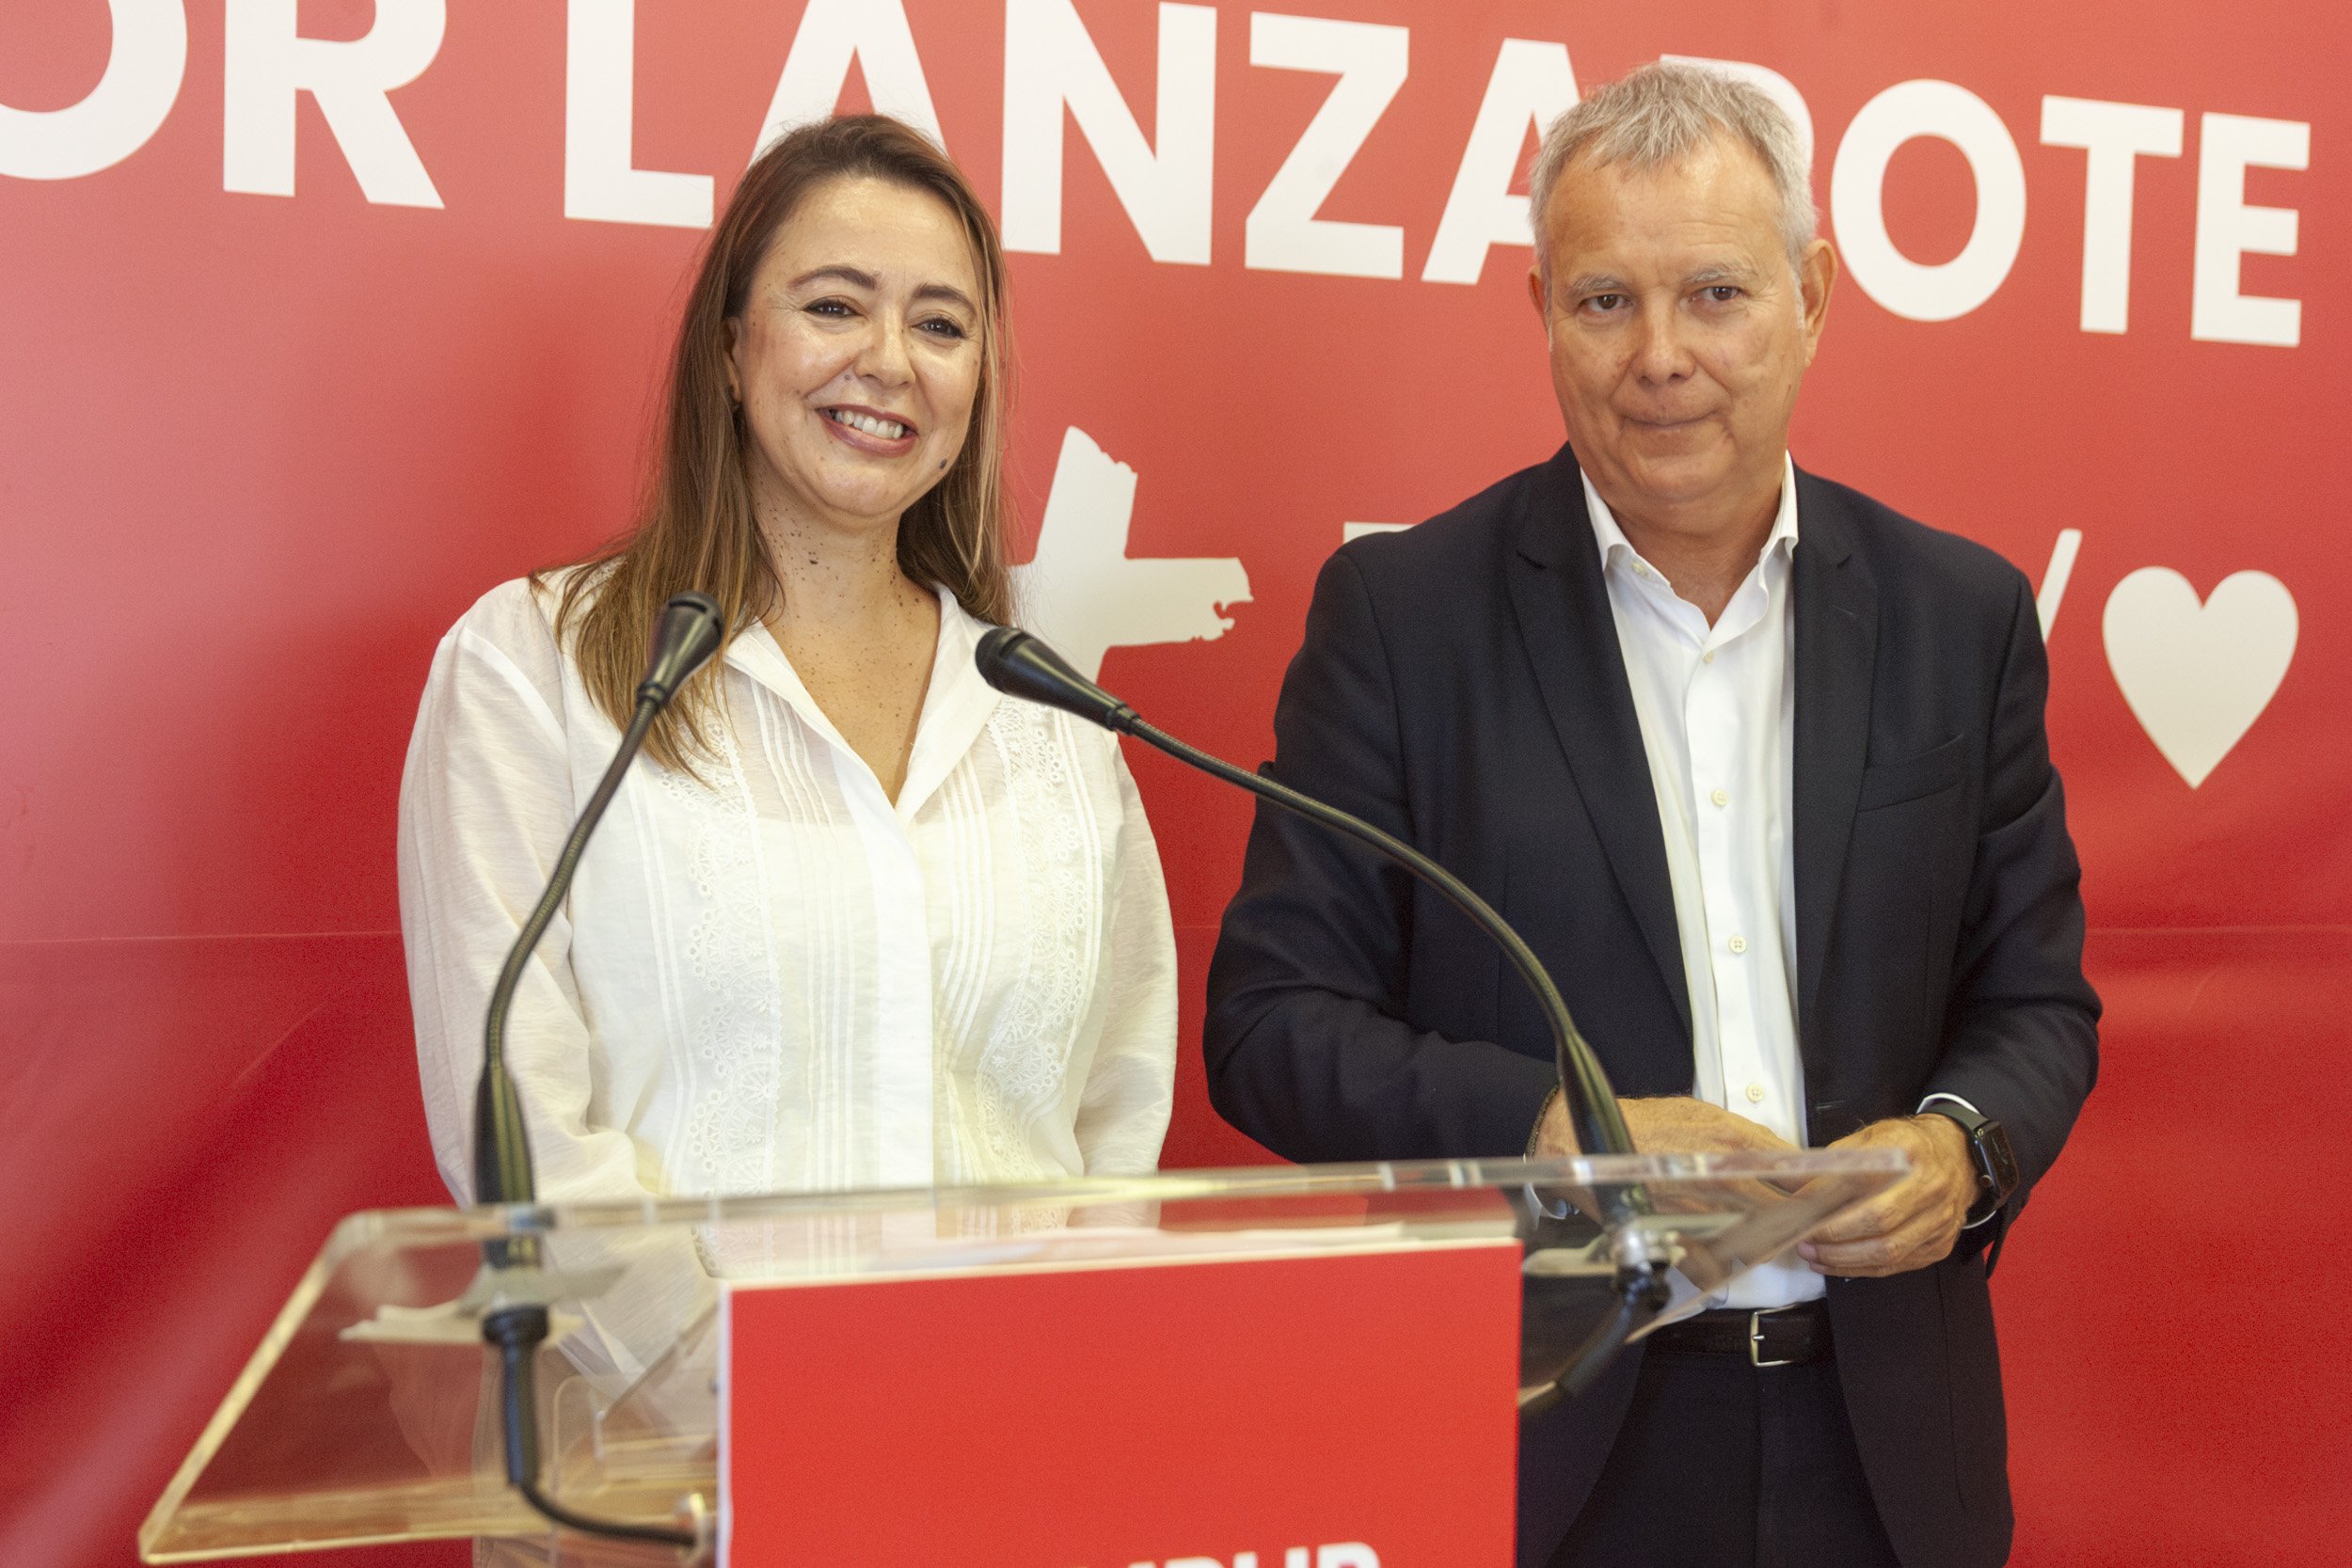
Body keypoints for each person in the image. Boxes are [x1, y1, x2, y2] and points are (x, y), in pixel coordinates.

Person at [1204, 64, 2096, 1568]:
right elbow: (1272, 1026)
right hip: (1544, 1447)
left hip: (1887, 1457)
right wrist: (1565, 1134)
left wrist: (1960, 1149)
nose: (1661, 358)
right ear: (1540, 309)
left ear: (1813, 295)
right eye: (1605, 301)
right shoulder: (1405, 617)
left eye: (1718, 294)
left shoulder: (1963, 614)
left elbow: (2034, 1001)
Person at [398, 116, 1178, 1224]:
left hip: (1015, 1381)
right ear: (729, 347)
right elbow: (520, 1129)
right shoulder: (533, 665)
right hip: (669, 1395)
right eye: (833, 306)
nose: (890, 362)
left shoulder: (1051, 711)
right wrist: (754, 1382)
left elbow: (1119, 1110)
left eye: (942, 325)